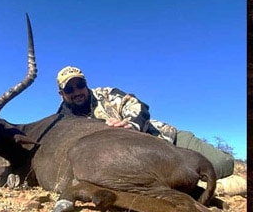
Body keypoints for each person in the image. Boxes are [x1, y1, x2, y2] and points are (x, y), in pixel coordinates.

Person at [56, 66, 235, 180]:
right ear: (61, 94)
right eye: (70, 89)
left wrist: (130, 127)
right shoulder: (62, 122)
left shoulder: (106, 94)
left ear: (86, 84)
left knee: (222, 163)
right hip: (135, 162)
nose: (77, 91)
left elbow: (138, 107)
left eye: (80, 85)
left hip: (164, 138)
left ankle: (210, 185)